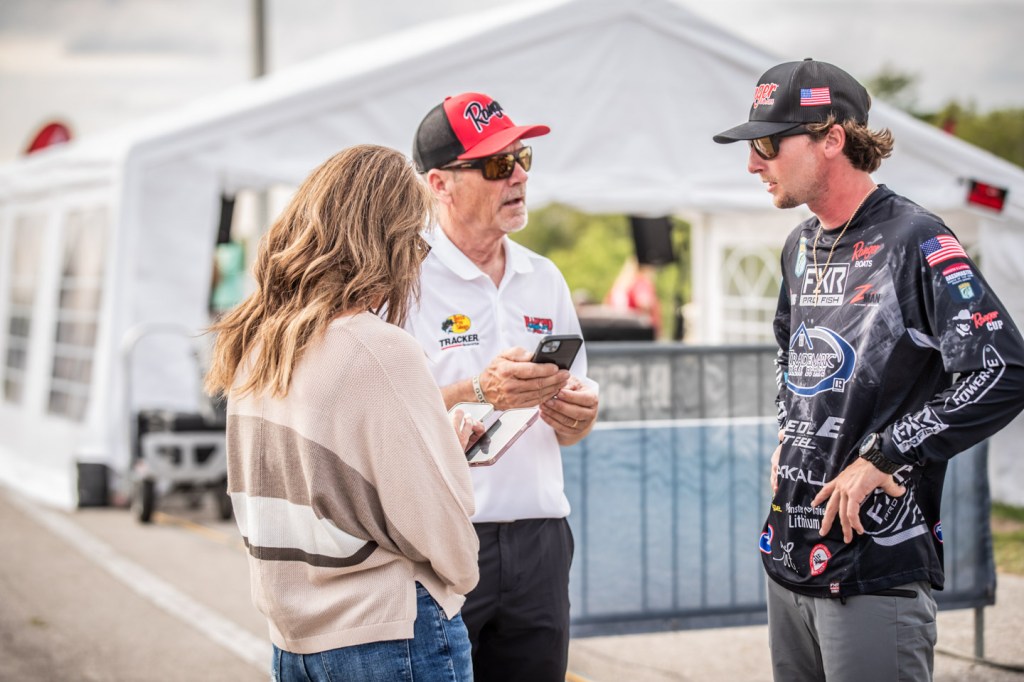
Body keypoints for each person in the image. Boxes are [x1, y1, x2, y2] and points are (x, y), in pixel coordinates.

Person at [713, 59, 1024, 681]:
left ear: (831, 138)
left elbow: (1003, 370)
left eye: (767, 145)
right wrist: (789, 433)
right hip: (789, 556)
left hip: (874, 569)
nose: (752, 163)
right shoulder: (799, 245)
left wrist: (886, 453)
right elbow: (791, 350)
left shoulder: (916, 238)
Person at [204, 144, 484, 681]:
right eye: (415, 241)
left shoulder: (255, 341)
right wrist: (461, 568)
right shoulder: (379, 349)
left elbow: (309, 484)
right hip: (389, 632)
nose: (417, 260)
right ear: (387, 241)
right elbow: (439, 527)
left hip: (294, 639)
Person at [406, 92, 600, 682]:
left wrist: (579, 416)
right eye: (496, 164)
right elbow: (379, 419)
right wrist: (478, 389)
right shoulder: (402, 278)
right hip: (442, 540)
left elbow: (571, 427)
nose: (518, 176)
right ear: (440, 184)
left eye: (521, 158)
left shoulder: (544, 275)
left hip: (541, 538)